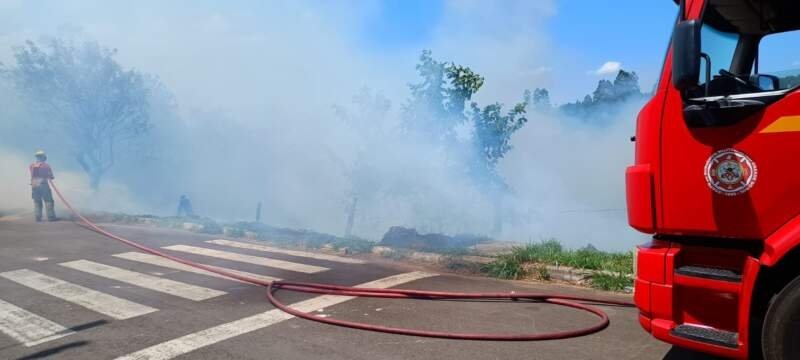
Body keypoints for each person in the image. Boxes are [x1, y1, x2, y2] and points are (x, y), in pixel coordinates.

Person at [29, 150, 56, 222]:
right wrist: (49, 176)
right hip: (43, 185)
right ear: (43, 157)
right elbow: (51, 176)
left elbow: (32, 174)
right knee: (48, 201)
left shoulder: (31, 165)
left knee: (37, 201)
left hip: (34, 185)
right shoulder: (46, 166)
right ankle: (51, 217)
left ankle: (38, 217)